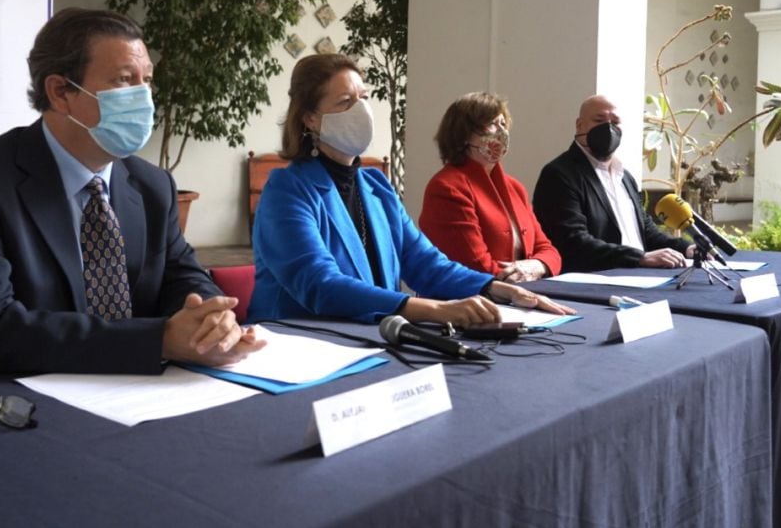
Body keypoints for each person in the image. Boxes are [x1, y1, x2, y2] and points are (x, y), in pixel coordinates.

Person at [0, 8, 263, 381]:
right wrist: (158, 340)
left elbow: (182, 276)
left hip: (126, 395)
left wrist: (210, 319)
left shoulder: (153, 185)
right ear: (61, 92)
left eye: (147, 81)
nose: (143, 98)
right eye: (124, 81)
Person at [249, 54, 575, 327]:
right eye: (345, 102)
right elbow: (320, 285)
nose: (361, 109)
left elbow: (424, 262)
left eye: (363, 97)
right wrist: (432, 309)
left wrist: (496, 288)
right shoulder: (287, 191)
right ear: (310, 118)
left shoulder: (376, 186)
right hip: (301, 350)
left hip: (370, 341)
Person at [532, 94, 694, 273]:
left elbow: (645, 231)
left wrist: (686, 248)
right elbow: (572, 242)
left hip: (642, 276)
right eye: (599, 120)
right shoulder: (559, 174)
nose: (608, 128)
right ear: (580, 125)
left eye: (615, 122)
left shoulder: (625, 177)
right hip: (596, 282)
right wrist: (639, 258)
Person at [420, 92, 561, 283]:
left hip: (523, 297)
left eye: (503, 124)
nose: (501, 131)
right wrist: (519, 280)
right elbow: (476, 265)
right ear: (463, 134)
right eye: (492, 123)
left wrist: (537, 266)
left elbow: (548, 250)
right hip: (473, 302)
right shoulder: (447, 187)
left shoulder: (515, 187)